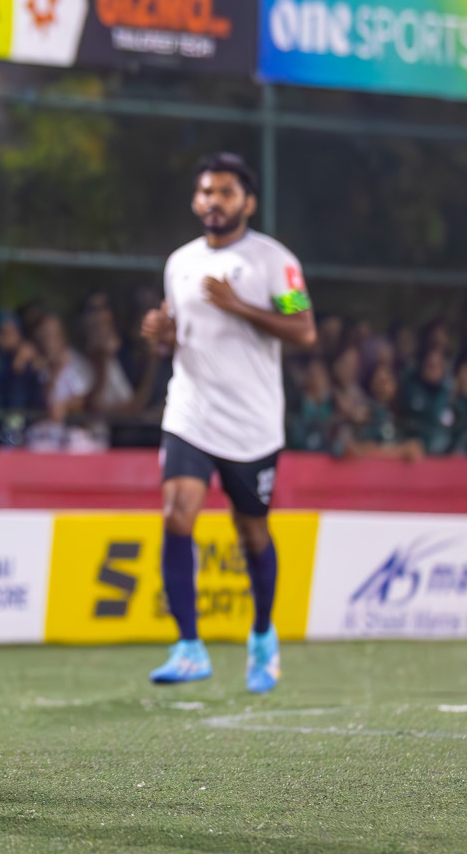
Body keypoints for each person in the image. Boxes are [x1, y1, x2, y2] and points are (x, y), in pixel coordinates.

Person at [140, 153, 315, 693]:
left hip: (253, 424)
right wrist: (160, 334)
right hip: (191, 410)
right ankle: (189, 647)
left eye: (225, 193)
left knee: (252, 533)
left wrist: (240, 306)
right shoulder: (180, 262)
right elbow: (180, 331)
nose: (212, 201)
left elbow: (303, 328)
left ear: (247, 202)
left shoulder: (273, 262)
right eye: (206, 193)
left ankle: (262, 636)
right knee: (176, 515)